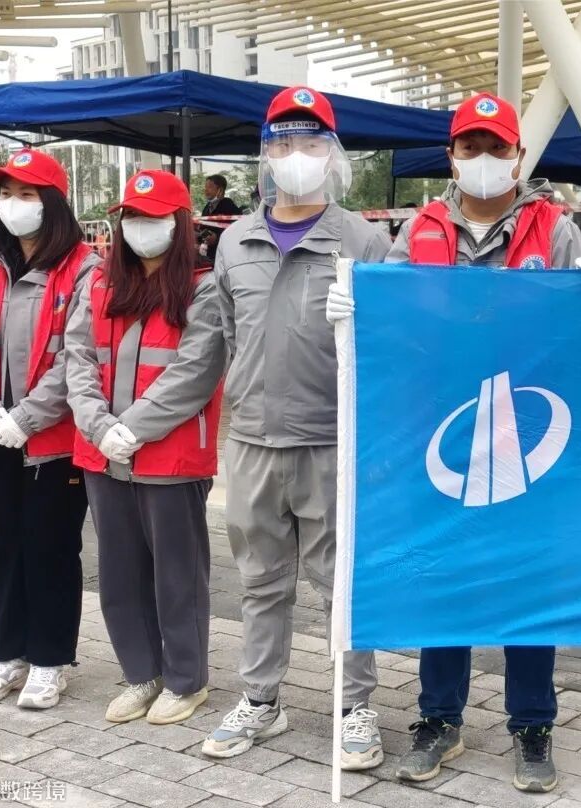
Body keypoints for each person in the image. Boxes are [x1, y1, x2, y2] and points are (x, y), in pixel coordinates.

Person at [330, 91, 581, 794]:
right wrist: (355, 313)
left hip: (531, 429)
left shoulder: (556, 229)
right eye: (470, 146)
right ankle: (439, 717)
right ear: (451, 156)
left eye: (496, 147)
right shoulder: (420, 228)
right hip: (443, 427)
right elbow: (395, 323)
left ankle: (533, 725)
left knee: (527, 576)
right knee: (443, 570)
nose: (484, 158)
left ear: (519, 156)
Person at [206, 86, 389, 766]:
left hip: (330, 441)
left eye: (311, 142)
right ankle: (262, 699)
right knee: (260, 580)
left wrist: (367, 320)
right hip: (253, 440)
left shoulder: (363, 240)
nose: (296, 154)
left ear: (332, 153)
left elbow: (392, 348)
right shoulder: (235, 241)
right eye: (283, 142)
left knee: (339, 582)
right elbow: (230, 334)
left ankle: (355, 704)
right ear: (265, 154)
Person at [66, 169, 225, 726]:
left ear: (179, 224)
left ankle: (185, 680)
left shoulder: (204, 289)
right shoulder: (101, 284)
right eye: (131, 216)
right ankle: (141, 673)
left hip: (170, 458)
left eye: (153, 217)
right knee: (118, 573)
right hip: (102, 455)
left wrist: (131, 429)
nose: (139, 226)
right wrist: (98, 426)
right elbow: (77, 359)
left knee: (178, 577)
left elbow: (195, 371)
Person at [0, 149, 98, 710]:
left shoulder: (83, 268)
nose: (13, 204)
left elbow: (79, 356)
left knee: (51, 547)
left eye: (26, 194)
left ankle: (51, 659)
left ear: (52, 202)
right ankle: (8, 653)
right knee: (1, 547)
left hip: (52, 441)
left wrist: (27, 417)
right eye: (6, 194)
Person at [198, 174, 241, 264]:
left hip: (225, 255)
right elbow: (202, 227)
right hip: (209, 254)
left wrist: (217, 238)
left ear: (220, 190)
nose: (206, 190)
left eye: (210, 187)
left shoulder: (228, 205)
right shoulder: (207, 207)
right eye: (205, 187)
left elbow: (237, 229)